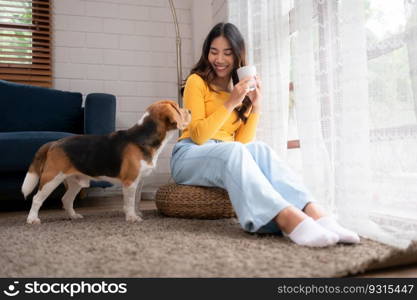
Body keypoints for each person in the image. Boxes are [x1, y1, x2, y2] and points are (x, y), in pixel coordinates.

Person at [170, 22, 360, 247]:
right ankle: (287, 218)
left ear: (237, 56)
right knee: (232, 150)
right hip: (189, 154)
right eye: (214, 52)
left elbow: (243, 145)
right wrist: (231, 103)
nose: (220, 59)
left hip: (224, 153)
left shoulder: (240, 91)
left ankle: (317, 214)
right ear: (206, 52)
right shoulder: (197, 81)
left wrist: (255, 107)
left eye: (227, 53)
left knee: (259, 148)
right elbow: (199, 136)